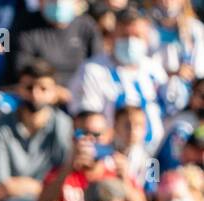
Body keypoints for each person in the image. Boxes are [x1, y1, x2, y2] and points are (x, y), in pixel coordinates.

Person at [34, 109, 151, 201]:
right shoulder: (60, 175)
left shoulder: (119, 175)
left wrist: (125, 182)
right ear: (72, 139)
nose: (90, 141)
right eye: (82, 135)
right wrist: (68, 167)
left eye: (97, 135)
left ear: (109, 137)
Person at [0, 59, 72, 201]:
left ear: (54, 92)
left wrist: (29, 188)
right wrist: (44, 190)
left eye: (43, 88)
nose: (35, 94)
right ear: (19, 88)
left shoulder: (63, 125)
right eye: (29, 87)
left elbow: (66, 178)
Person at [69, 8, 168, 152]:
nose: (130, 41)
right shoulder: (93, 70)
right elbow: (88, 121)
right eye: (125, 36)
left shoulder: (154, 69)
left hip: (154, 156)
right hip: (112, 155)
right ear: (113, 36)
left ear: (146, 38)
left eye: (137, 36)